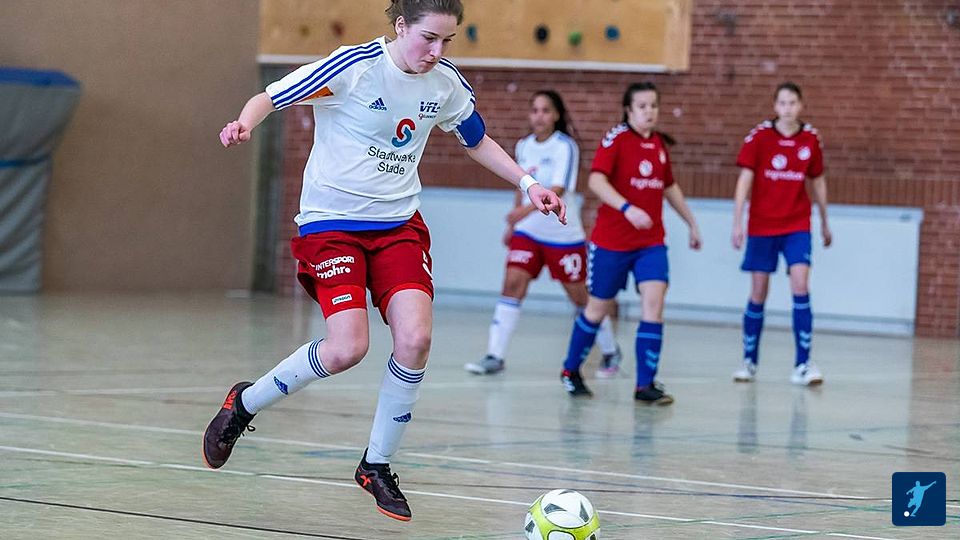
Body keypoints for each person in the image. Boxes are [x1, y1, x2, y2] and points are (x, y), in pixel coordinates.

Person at [202, 0, 565, 522]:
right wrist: (244, 123)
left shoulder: (445, 83)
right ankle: (244, 404)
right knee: (347, 348)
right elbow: (270, 96)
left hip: (397, 227)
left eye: (447, 41)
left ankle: (376, 464)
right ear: (400, 27)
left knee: (415, 340)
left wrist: (529, 185)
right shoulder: (353, 67)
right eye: (428, 38)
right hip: (332, 224)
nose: (436, 52)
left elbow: (476, 140)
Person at [558, 82, 701, 404]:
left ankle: (645, 385)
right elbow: (596, 180)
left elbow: (669, 187)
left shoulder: (659, 145)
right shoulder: (617, 139)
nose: (649, 112)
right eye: (642, 106)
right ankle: (571, 369)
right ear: (629, 110)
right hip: (612, 242)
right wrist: (627, 208)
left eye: (654, 105)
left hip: (651, 243)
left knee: (654, 303)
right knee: (597, 308)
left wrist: (691, 223)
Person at [465, 90, 622, 377]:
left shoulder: (565, 146)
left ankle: (610, 350)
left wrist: (522, 213)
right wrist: (513, 225)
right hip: (528, 233)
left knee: (580, 298)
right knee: (512, 284)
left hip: (562, 235)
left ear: (556, 115)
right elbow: (520, 185)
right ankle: (495, 355)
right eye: (535, 110)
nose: (539, 116)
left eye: (546, 111)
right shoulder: (524, 145)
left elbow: (558, 188)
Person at [731, 81, 831, 386]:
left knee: (800, 284)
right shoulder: (760, 137)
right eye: (782, 103)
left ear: (801, 106)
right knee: (758, 291)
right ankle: (749, 361)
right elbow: (744, 180)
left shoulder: (810, 139)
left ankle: (803, 363)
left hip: (796, 225)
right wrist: (737, 221)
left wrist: (825, 221)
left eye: (793, 103)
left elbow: (818, 181)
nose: (788, 109)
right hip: (762, 225)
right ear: (775, 107)